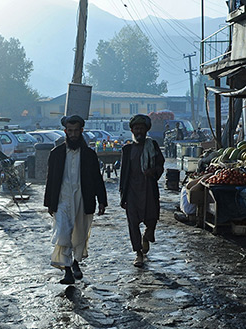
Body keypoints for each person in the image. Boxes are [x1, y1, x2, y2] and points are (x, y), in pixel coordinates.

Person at [44, 115, 107, 284]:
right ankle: (67, 271)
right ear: (65, 132)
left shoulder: (89, 155)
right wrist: (49, 202)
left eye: (75, 131)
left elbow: (97, 178)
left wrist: (102, 200)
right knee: (63, 234)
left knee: (79, 233)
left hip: (82, 198)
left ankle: (75, 262)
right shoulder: (56, 154)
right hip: (62, 199)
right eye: (69, 131)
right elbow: (50, 179)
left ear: (81, 131)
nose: (72, 135)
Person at [119, 114, 165, 268]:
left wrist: (153, 171)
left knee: (152, 218)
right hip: (132, 191)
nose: (139, 131)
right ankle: (138, 253)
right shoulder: (127, 149)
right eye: (136, 128)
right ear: (132, 130)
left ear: (146, 130)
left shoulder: (153, 145)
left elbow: (160, 165)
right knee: (132, 223)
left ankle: (147, 234)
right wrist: (122, 195)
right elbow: (123, 173)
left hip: (148, 189)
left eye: (142, 128)